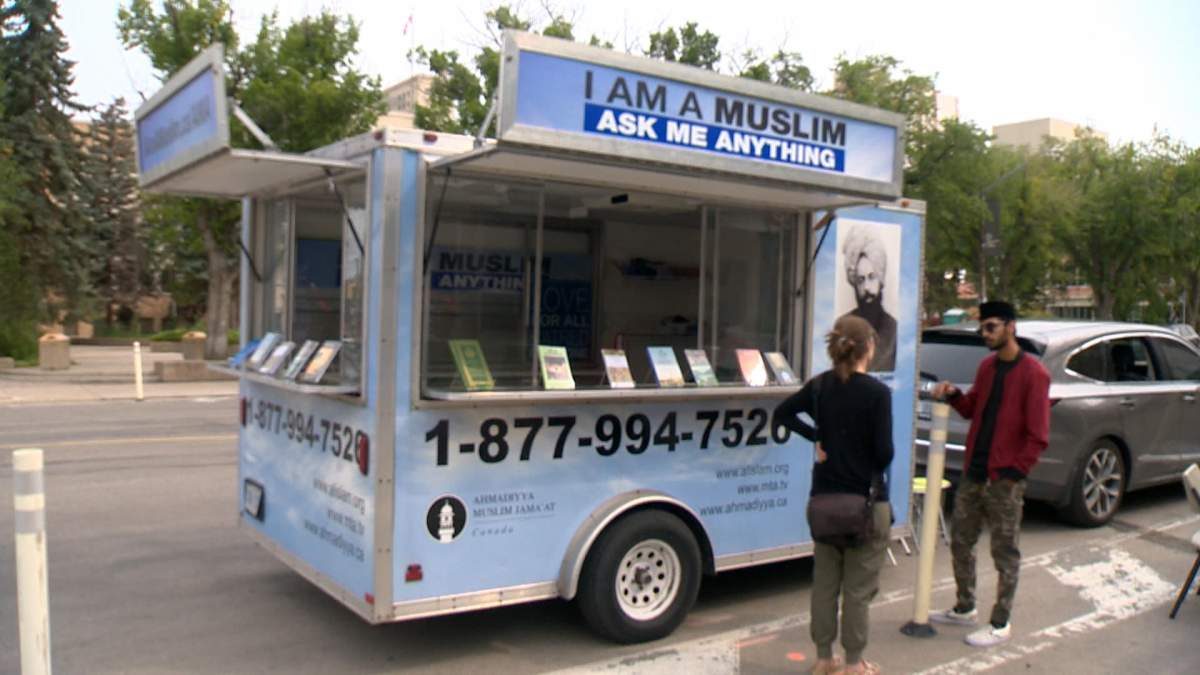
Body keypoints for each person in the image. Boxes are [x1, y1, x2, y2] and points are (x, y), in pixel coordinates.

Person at [773, 315, 893, 675]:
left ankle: (824, 658)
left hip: (824, 501)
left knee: (824, 585)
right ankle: (854, 664)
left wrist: (818, 439)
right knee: (857, 590)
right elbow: (884, 453)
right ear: (867, 347)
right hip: (865, 503)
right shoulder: (877, 393)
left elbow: (782, 414)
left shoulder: (821, 387)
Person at [929, 300, 1051, 647]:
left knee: (1005, 551)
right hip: (974, 472)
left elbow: (1038, 435)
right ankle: (964, 606)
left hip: (1004, 479)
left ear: (1011, 326)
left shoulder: (1034, 374)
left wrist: (1014, 472)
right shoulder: (986, 368)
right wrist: (953, 395)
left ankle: (1000, 622)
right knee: (960, 542)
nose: (985, 334)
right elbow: (971, 409)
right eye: (982, 328)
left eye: (991, 327)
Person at [839, 227, 897, 372]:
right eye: (860, 279)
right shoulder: (842, 325)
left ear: (880, 279)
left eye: (872, 277)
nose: (866, 288)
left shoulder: (894, 330)